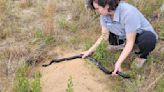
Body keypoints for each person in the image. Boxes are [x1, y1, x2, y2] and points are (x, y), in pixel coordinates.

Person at [81, 0, 158, 75]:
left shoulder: (128, 13)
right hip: (124, 34)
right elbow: (104, 36)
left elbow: (130, 41)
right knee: (112, 39)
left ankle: (142, 56)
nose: (96, 11)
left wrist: (118, 62)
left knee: (148, 40)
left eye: (97, 8)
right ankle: (123, 47)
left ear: (106, 5)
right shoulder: (104, 16)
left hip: (140, 35)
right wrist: (89, 51)